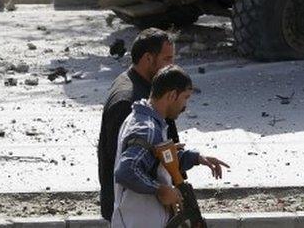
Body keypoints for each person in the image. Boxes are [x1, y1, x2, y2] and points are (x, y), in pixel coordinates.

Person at [112, 66, 229, 227]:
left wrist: (195, 158)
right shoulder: (148, 129)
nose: (185, 106)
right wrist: (160, 189)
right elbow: (126, 171)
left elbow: (157, 160)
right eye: (185, 98)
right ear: (172, 95)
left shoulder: (146, 120)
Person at [97, 28, 176, 221]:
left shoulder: (147, 88)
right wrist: (162, 189)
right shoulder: (128, 101)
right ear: (148, 59)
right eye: (167, 59)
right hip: (134, 212)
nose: (172, 65)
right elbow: (125, 166)